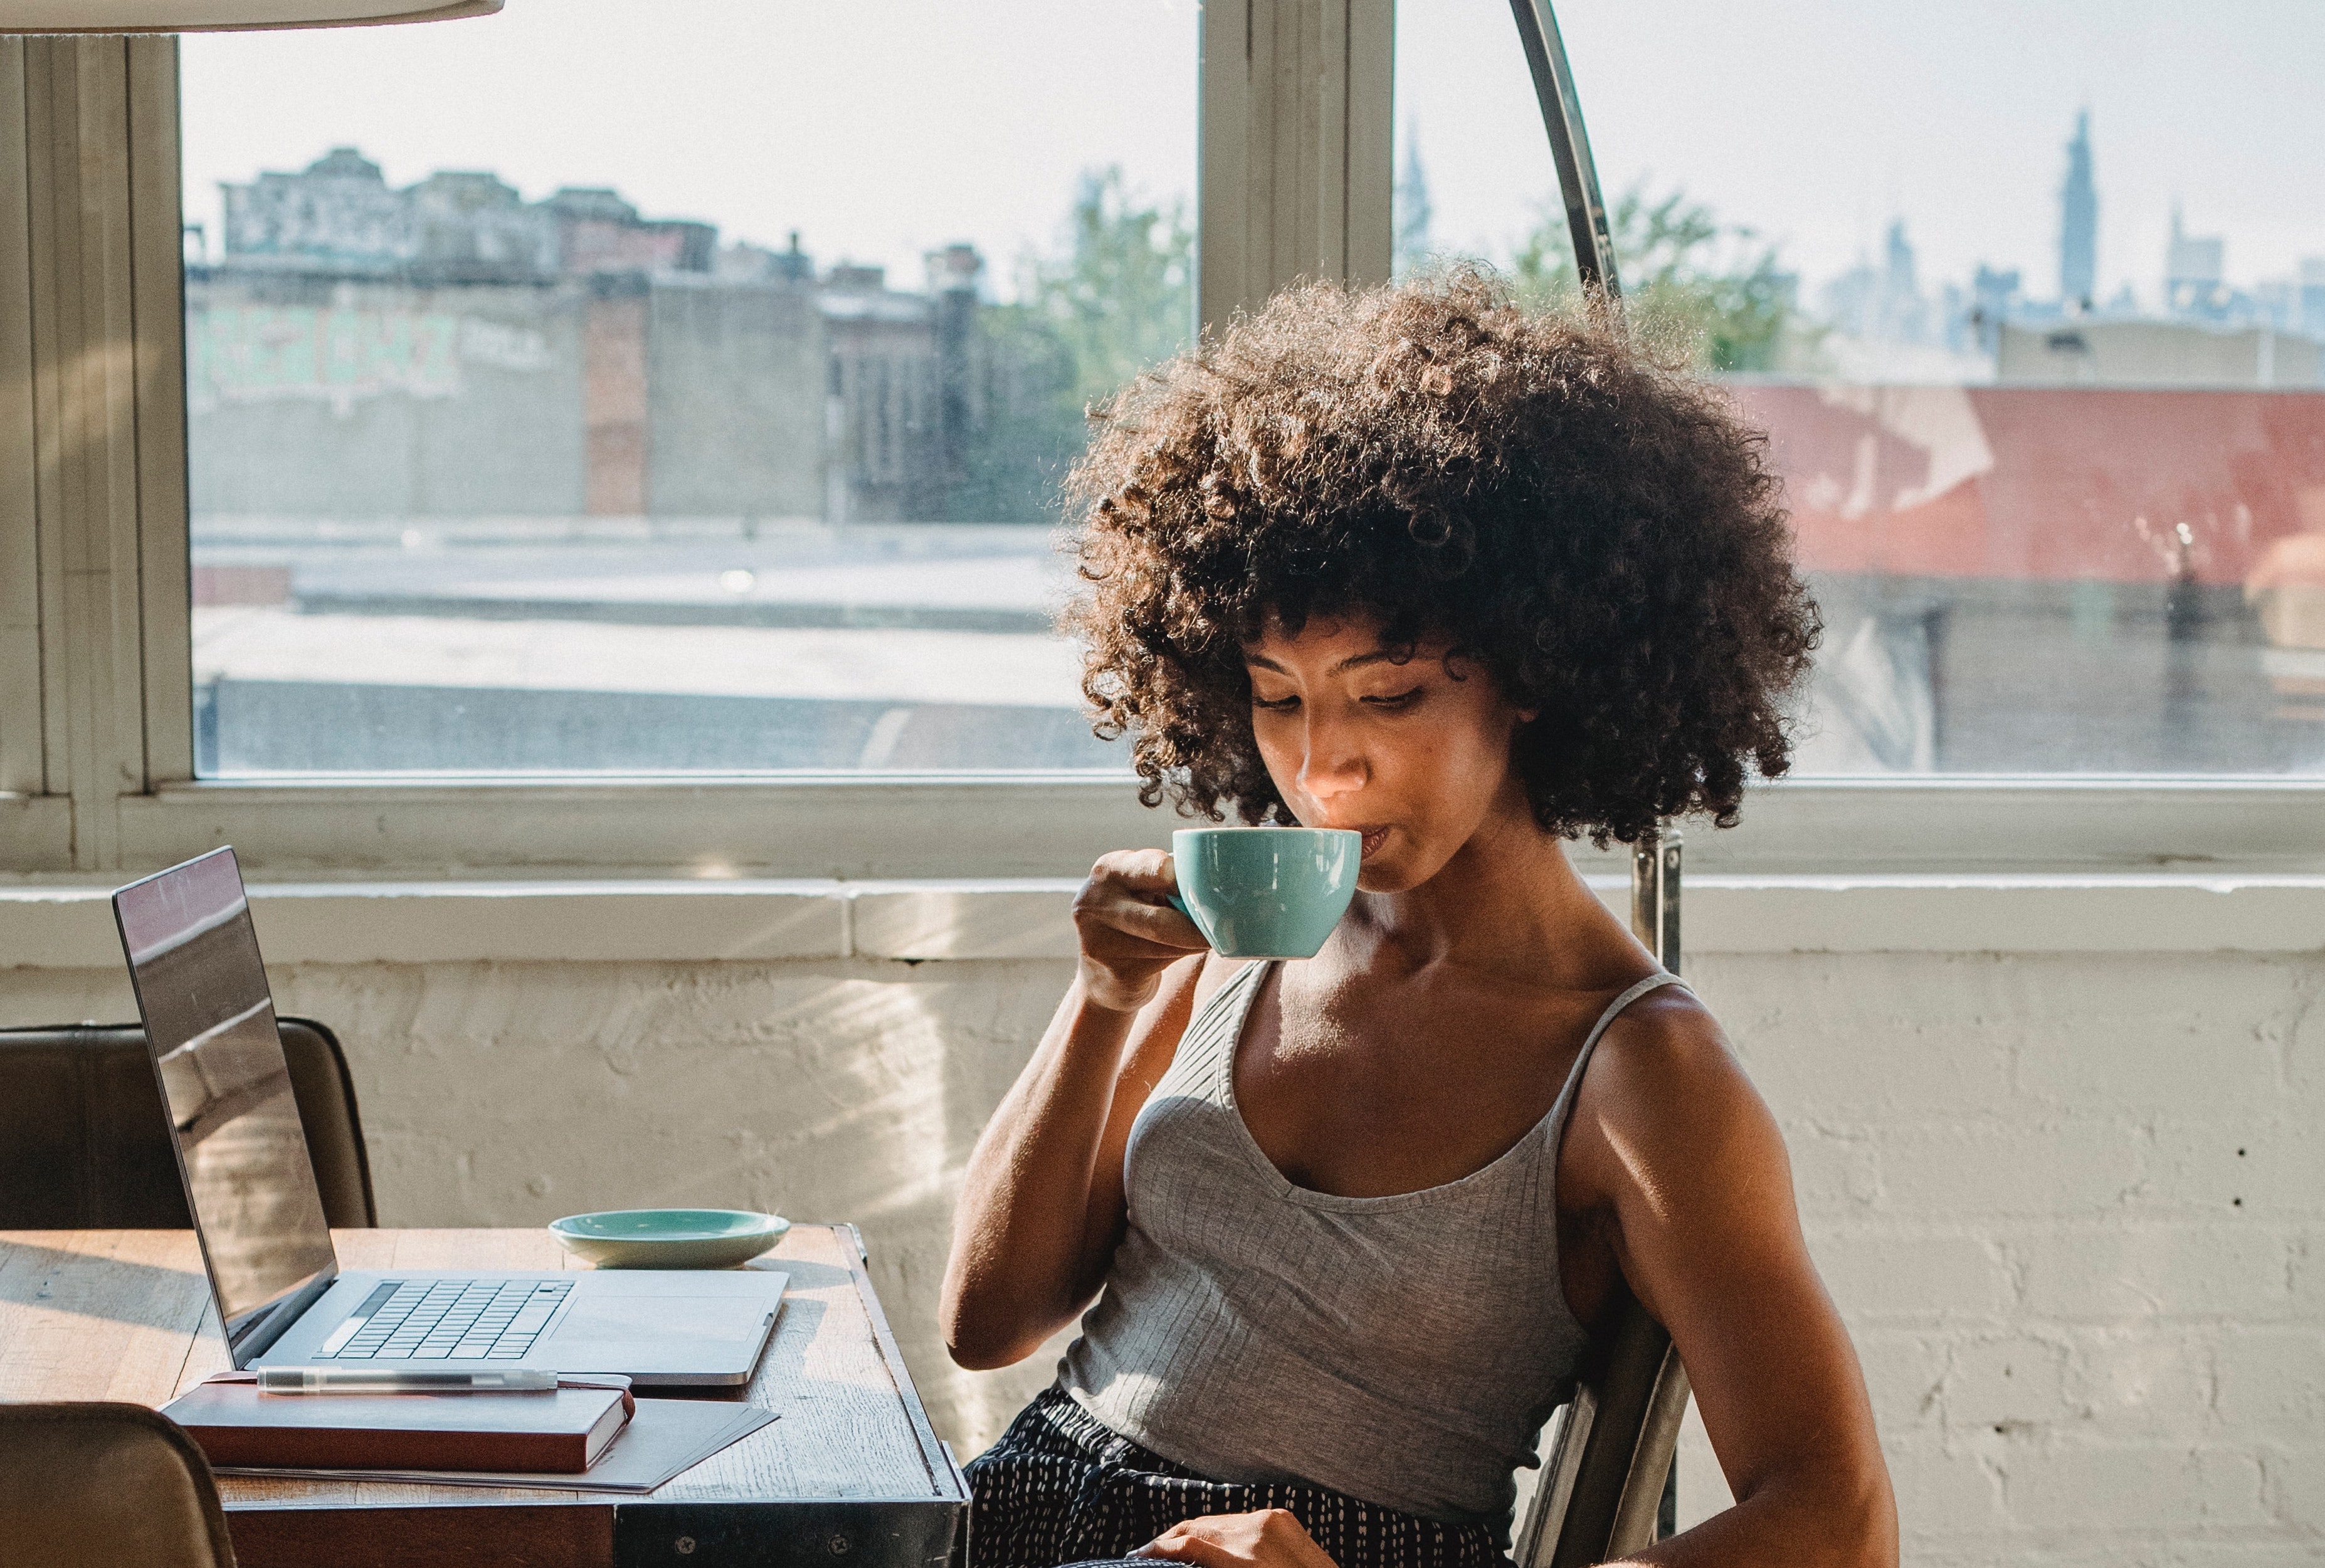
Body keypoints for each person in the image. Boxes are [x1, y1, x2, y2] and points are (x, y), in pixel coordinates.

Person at [941, 272, 1895, 1568]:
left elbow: (1837, 1525)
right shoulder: (1238, 938)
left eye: (1387, 699)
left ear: (1539, 672)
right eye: (1279, 699)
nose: (1323, 768)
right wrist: (1104, 997)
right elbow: (986, 1323)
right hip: (1017, 1515)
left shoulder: (1639, 1070)